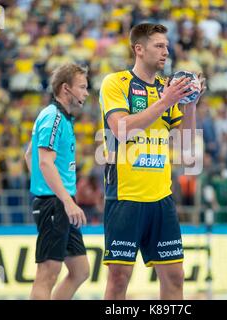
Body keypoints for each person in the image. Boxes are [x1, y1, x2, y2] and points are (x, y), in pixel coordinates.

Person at [99, 23, 205, 300]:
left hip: (161, 196)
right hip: (126, 196)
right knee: (119, 278)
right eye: (159, 46)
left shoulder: (165, 88)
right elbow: (121, 129)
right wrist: (165, 101)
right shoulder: (115, 82)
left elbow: (185, 143)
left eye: (167, 46)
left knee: (174, 276)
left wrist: (190, 104)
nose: (166, 52)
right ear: (139, 49)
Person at [25, 63, 90, 300]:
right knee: (47, 273)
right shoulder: (52, 117)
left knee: (80, 270)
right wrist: (64, 200)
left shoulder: (62, 118)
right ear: (66, 89)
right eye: (82, 87)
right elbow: (44, 162)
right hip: (55, 203)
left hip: (59, 200)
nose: (86, 93)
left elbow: (28, 155)